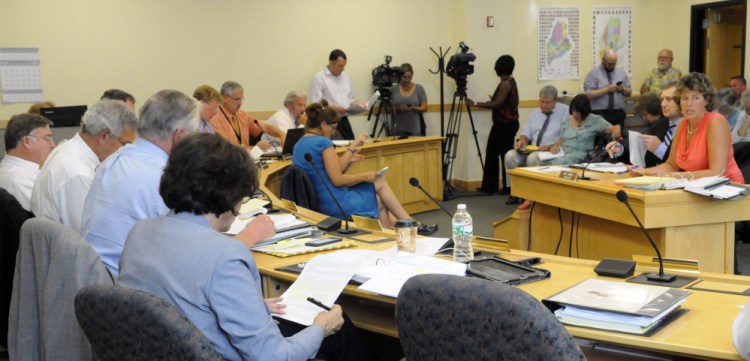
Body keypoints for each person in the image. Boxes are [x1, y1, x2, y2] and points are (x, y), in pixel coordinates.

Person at [118, 133, 377, 361]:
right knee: (338, 328)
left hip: (164, 350)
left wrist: (250, 306)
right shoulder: (226, 255)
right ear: (231, 196)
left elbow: (176, 302)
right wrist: (323, 327)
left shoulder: (139, 232)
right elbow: (274, 357)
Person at [81, 90, 200, 276]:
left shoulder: (113, 160)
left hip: (93, 276)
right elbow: (188, 253)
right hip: (129, 288)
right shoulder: (164, 177)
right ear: (180, 135)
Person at [292, 100, 437, 235]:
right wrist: (365, 176)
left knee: (379, 196)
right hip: (335, 202)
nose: (334, 132)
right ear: (323, 124)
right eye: (333, 128)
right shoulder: (323, 142)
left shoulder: (300, 143)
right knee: (378, 186)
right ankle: (408, 227)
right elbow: (337, 179)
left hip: (320, 200)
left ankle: (405, 229)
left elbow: (336, 170)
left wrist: (351, 153)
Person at [30, 99, 136, 232]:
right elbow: (90, 234)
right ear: (104, 136)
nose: (126, 151)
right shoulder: (77, 173)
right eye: (125, 144)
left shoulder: (68, 148)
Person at [632, 72, 744, 183]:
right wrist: (645, 172)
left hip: (727, 189)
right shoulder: (683, 124)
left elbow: (717, 172)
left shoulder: (715, 122)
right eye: (684, 98)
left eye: (695, 97)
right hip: (696, 188)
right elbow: (671, 165)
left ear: (706, 100)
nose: (689, 103)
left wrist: (675, 176)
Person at [504, 85, 568, 205]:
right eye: (541, 101)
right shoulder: (535, 113)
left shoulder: (565, 112)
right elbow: (525, 134)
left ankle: (531, 194)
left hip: (551, 150)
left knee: (533, 158)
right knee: (510, 156)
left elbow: (565, 136)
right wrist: (522, 141)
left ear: (555, 100)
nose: (543, 105)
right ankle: (515, 192)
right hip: (532, 148)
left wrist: (550, 146)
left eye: (547, 102)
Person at [466, 54, 519, 195]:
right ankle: (500, 187)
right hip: (507, 124)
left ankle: (496, 187)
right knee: (499, 154)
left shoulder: (505, 83)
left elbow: (497, 104)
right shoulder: (510, 81)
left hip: (505, 124)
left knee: (498, 155)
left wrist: (475, 103)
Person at [0, 113, 55, 211]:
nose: (53, 145)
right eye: (47, 138)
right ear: (27, 142)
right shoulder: (21, 181)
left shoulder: (12, 171)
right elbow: (49, 219)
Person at [209, 80, 284, 150]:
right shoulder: (214, 118)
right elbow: (226, 149)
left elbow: (265, 127)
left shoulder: (243, 115)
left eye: (242, 99)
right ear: (225, 98)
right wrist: (254, 149)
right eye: (237, 99)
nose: (241, 103)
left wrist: (281, 135)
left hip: (246, 160)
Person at [309, 49, 367, 140]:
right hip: (328, 122)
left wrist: (357, 104)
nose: (343, 69)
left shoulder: (346, 77)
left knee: (351, 143)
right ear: (331, 63)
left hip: (344, 120)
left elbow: (351, 98)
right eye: (340, 66)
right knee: (334, 148)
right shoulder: (319, 77)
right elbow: (315, 104)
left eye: (344, 66)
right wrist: (335, 108)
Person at [606, 92, 669, 167]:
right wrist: (621, 150)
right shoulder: (656, 125)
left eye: (645, 115)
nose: (644, 118)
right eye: (642, 115)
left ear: (653, 109)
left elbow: (649, 159)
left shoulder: (660, 125)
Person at [584, 48, 632, 128]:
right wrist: (606, 89)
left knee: (619, 138)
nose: (612, 66)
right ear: (603, 60)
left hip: (618, 113)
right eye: (609, 64)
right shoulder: (593, 74)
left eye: (614, 63)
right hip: (599, 113)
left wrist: (622, 89)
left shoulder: (621, 72)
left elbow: (629, 92)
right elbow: (588, 95)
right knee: (601, 139)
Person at [389, 63, 428, 137]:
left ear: (412, 75)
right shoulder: (393, 89)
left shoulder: (419, 89)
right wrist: (397, 109)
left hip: (415, 129)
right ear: (400, 76)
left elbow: (425, 107)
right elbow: (387, 109)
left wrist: (414, 108)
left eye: (409, 77)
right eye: (404, 77)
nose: (407, 79)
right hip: (398, 129)